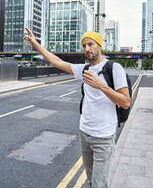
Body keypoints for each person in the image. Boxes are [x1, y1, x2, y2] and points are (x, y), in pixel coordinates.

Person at [24, 28, 130, 188]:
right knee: (90, 182)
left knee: (99, 184)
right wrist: (35, 44)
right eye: (84, 46)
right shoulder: (84, 69)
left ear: (99, 45)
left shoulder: (114, 68)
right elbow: (56, 61)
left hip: (104, 138)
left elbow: (125, 102)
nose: (87, 49)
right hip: (84, 134)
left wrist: (101, 85)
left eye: (90, 44)